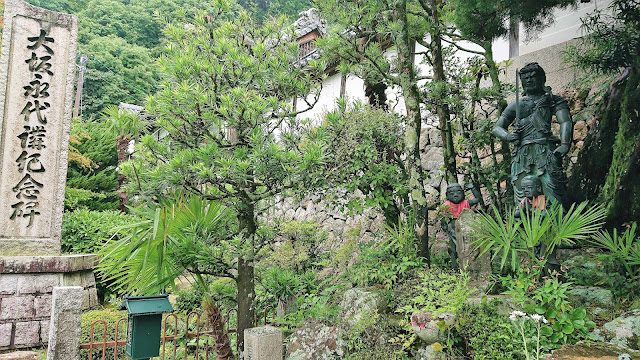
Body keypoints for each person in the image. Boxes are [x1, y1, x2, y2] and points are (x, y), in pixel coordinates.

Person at [492, 62, 573, 206]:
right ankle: (524, 221)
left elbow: (565, 121)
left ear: (542, 78)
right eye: (525, 77)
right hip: (521, 153)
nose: (529, 80)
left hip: (544, 149)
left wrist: (565, 144)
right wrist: (507, 136)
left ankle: (557, 221)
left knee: (552, 186)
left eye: (533, 76)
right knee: (521, 188)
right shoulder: (517, 105)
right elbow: (497, 127)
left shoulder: (552, 100)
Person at [441, 183, 481, 269]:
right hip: (453, 227)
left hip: (467, 225)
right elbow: (443, 217)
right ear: (447, 195)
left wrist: (473, 188)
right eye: (452, 193)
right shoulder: (446, 205)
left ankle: (468, 265)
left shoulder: (466, 203)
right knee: (455, 248)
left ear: (463, 193)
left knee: (467, 247)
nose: (455, 195)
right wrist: (444, 224)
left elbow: (477, 199)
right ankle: (456, 267)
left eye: (458, 192)